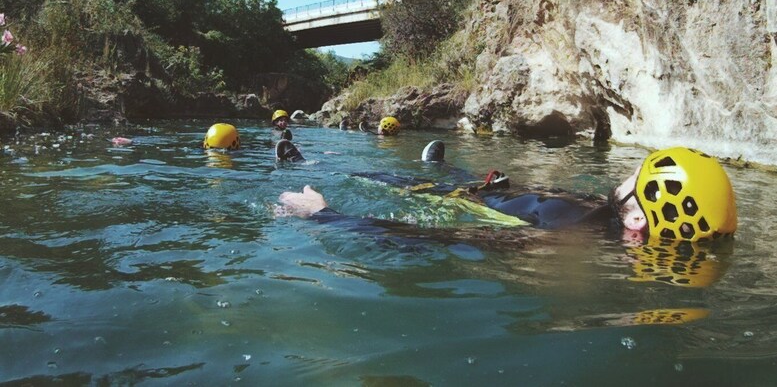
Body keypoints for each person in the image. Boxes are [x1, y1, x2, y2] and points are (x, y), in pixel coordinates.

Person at [277, 143, 737, 244]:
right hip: (490, 192)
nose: (628, 171)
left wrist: (324, 214)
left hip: (458, 199)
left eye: (638, 175)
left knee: (391, 180)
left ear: (638, 219)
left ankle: (308, 166)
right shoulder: (599, 217)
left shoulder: (566, 236)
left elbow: (441, 238)